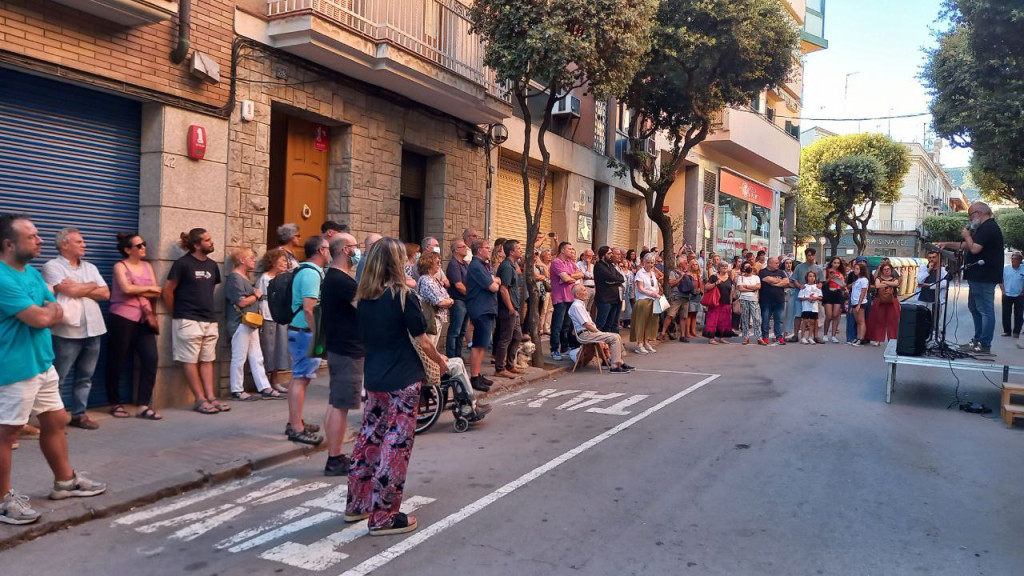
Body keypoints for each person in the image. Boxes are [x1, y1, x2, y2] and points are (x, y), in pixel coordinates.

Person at [0, 213, 105, 525]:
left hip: (43, 363)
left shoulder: (31, 274)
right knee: (6, 434)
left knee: (56, 419)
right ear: (9, 243)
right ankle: (3, 500)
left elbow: (54, 309)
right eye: (32, 236)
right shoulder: (3, 278)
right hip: (15, 368)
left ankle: (65, 482)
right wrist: (48, 311)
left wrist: (49, 311)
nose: (40, 239)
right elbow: (42, 318)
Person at [347, 237, 448, 536]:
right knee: (396, 445)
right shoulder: (403, 296)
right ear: (395, 262)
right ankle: (385, 516)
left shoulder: (364, 298)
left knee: (369, 439)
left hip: (375, 378)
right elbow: (422, 339)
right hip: (403, 380)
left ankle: (358, 503)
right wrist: (440, 360)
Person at [42, 228, 109, 430]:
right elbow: (68, 290)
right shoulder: (51, 266)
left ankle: (79, 415)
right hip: (67, 331)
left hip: (94, 328)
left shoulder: (90, 267)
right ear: (64, 244)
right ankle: (55, 420)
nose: (84, 245)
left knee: (85, 376)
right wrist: (90, 287)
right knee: (58, 377)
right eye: (79, 242)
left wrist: (80, 287)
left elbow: (106, 293)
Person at [164, 228, 223, 415]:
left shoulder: (213, 265)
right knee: (189, 360)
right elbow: (167, 291)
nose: (211, 242)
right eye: (207, 240)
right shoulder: (182, 264)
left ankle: (211, 397)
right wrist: (178, 312)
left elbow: (210, 289)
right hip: (187, 319)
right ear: (197, 245)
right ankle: (199, 399)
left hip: (209, 320)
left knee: (208, 359)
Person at [106, 233, 161, 420]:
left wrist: (142, 289)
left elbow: (157, 291)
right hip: (122, 316)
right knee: (117, 360)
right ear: (128, 250)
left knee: (151, 358)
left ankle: (143, 405)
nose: (144, 248)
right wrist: (148, 289)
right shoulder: (119, 266)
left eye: (144, 244)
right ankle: (115, 402)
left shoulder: (147, 266)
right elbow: (125, 289)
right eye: (139, 245)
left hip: (144, 318)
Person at [321, 233, 364, 477]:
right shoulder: (341, 281)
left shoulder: (335, 278)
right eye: (355, 247)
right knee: (341, 405)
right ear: (346, 250)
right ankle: (335, 458)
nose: (358, 252)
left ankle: (335, 453)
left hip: (340, 347)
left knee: (336, 402)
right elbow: (365, 308)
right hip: (347, 349)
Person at [937, 202, 1004, 354]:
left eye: (970, 215)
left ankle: (984, 344)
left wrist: (967, 235)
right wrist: (946, 244)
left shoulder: (989, 228)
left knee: (985, 310)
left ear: (979, 213)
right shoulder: (983, 228)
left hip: (984, 276)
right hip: (977, 276)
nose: (969, 219)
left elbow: (974, 248)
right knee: (974, 308)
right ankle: (977, 340)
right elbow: (968, 246)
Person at [285, 235, 330, 445]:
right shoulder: (311, 274)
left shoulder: (306, 270)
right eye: (328, 249)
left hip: (300, 330)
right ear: (321, 250)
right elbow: (309, 308)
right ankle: (296, 428)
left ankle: (295, 422)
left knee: (299, 378)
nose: (330, 252)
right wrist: (318, 336)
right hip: (305, 332)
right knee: (301, 379)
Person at [225, 248, 283, 401]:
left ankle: (264, 387)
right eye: (251, 257)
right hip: (240, 322)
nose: (254, 260)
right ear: (242, 260)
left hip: (250, 322)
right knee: (239, 357)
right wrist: (256, 295)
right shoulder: (235, 278)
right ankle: (237, 389)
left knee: (256, 356)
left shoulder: (242, 276)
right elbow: (241, 301)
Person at [568, 285, 634, 373]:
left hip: (589, 332)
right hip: (585, 334)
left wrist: (599, 333)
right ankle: (615, 365)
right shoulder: (576, 306)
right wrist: (599, 332)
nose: (586, 292)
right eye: (584, 290)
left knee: (616, 336)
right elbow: (587, 324)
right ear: (577, 294)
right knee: (613, 338)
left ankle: (620, 362)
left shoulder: (580, 305)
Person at [255, 249, 290, 393]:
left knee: (279, 347)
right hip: (268, 316)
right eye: (282, 260)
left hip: (280, 316)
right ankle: (268, 380)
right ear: (273, 262)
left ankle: (276, 379)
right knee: (269, 348)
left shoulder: (282, 278)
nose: (285, 263)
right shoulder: (264, 279)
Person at [466, 239, 499, 390]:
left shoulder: (483, 266)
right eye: (487, 247)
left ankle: (478, 374)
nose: (489, 249)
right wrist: (496, 281)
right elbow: (493, 286)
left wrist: (495, 280)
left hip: (486, 308)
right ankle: (474, 377)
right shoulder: (477, 266)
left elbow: (494, 280)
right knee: (478, 345)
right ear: (479, 250)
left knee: (482, 345)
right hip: (481, 308)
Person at [549, 242, 583, 361]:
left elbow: (581, 274)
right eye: (569, 249)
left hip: (570, 296)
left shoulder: (570, 262)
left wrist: (568, 277)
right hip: (560, 297)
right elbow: (565, 278)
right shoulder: (556, 262)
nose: (571, 250)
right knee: (557, 325)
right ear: (562, 250)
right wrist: (567, 278)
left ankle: (564, 347)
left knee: (567, 325)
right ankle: (554, 349)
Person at [494, 239, 523, 378]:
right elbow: (503, 289)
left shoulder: (512, 265)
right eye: (518, 248)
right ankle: (500, 368)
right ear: (511, 251)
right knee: (505, 337)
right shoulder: (506, 267)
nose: (521, 249)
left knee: (517, 336)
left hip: (514, 306)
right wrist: (511, 308)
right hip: (507, 308)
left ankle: (510, 364)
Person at [416, 250, 453, 347]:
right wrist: (450, 301)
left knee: (433, 346)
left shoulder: (434, 279)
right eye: (437, 262)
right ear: (429, 264)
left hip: (437, 318)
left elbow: (446, 297)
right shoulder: (426, 280)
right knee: (429, 348)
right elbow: (439, 301)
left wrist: (448, 300)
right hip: (431, 319)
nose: (440, 264)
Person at [791, 248, 824, 343]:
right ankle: (796, 335)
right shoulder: (799, 267)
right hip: (802, 293)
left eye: (812, 255)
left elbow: (821, 281)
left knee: (815, 317)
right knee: (798, 315)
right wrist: (799, 286)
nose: (811, 257)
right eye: (809, 255)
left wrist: (819, 286)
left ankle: (816, 336)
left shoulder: (818, 268)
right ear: (806, 256)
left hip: (814, 295)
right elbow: (794, 279)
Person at [444, 239, 470, 358]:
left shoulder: (464, 264)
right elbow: (458, 285)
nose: (466, 248)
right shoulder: (454, 264)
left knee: (462, 331)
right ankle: (451, 356)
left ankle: (458, 355)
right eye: (463, 247)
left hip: (465, 300)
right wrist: (471, 294)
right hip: (458, 301)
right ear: (456, 250)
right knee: (455, 330)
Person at [865, 263, 901, 347]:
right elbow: (877, 285)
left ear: (891, 270)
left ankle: (892, 339)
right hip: (880, 301)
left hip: (892, 301)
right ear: (882, 271)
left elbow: (896, 284)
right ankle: (877, 339)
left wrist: (884, 282)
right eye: (885, 269)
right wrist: (889, 283)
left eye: (888, 269)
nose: (887, 270)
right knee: (879, 320)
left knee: (893, 321)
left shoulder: (894, 278)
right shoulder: (878, 278)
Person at [631, 252, 660, 354]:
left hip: (653, 300)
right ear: (643, 262)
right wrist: (652, 293)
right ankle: (639, 344)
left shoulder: (652, 274)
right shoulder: (640, 273)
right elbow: (640, 288)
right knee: (641, 322)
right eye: (648, 262)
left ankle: (646, 342)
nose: (650, 265)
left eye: (652, 263)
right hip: (643, 300)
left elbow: (655, 286)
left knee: (650, 323)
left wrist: (656, 292)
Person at [594, 246, 624, 334]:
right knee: (601, 323)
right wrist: (615, 280)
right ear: (603, 255)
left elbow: (621, 277)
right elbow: (610, 277)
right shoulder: (599, 266)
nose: (611, 255)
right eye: (609, 253)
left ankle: (608, 344)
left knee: (610, 324)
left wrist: (613, 281)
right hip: (605, 299)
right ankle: (597, 344)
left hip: (615, 299)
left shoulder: (610, 265)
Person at [758, 257, 788, 345]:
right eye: (776, 263)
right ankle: (765, 337)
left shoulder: (781, 272)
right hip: (766, 300)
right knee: (765, 319)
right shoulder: (763, 272)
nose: (778, 265)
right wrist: (780, 282)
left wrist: (775, 283)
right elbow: (768, 279)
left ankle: (779, 337)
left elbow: (786, 282)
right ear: (769, 263)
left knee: (779, 319)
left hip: (779, 300)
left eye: (778, 263)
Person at [659, 255, 688, 341]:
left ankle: (682, 335)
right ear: (680, 264)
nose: (687, 263)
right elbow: (671, 284)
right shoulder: (673, 273)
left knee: (684, 316)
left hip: (686, 296)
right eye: (685, 262)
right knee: (670, 315)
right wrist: (681, 277)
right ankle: (663, 333)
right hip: (676, 296)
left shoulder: (687, 272)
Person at [703, 262, 734, 344]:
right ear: (718, 268)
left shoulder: (730, 279)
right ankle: (711, 338)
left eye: (726, 266)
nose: (724, 267)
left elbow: (730, 291)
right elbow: (706, 287)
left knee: (724, 321)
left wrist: (730, 303)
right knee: (712, 320)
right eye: (722, 266)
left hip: (726, 302)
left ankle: (722, 338)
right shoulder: (714, 277)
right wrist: (716, 283)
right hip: (715, 302)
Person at [735, 262, 763, 345]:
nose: (748, 268)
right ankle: (746, 337)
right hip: (744, 299)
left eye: (749, 266)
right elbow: (740, 288)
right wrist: (752, 289)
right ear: (743, 269)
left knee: (757, 319)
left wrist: (746, 286)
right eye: (746, 267)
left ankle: (759, 337)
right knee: (745, 319)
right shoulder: (741, 278)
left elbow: (758, 287)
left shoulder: (756, 277)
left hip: (754, 300)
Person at [822, 257, 847, 343]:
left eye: (838, 263)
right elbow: (823, 283)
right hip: (828, 293)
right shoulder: (826, 271)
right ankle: (825, 334)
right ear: (831, 263)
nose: (836, 264)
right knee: (829, 315)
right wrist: (830, 278)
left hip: (838, 293)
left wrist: (840, 281)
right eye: (835, 262)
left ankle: (833, 336)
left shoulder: (841, 273)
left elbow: (843, 286)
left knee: (836, 315)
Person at [1000, 251, 1024, 338]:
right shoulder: (1006, 268)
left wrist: (1023, 292)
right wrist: (1003, 291)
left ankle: (1016, 332)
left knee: (1019, 314)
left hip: (1019, 295)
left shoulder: (1023, 269)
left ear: (1020, 260)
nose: (1013, 260)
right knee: (1006, 314)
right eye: (1012, 258)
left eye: (1015, 259)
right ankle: (1007, 331)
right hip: (1007, 294)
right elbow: (1001, 280)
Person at [798, 271, 823, 345]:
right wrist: (807, 298)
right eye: (810, 276)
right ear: (807, 278)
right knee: (805, 321)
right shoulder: (804, 287)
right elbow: (800, 297)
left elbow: (820, 297)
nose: (812, 278)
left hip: (814, 307)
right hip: (806, 307)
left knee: (812, 322)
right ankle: (803, 337)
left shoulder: (817, 287)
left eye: (813, 276)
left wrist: (816, 297)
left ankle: (810, 337)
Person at [849, 262, 871, 346]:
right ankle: (858, 337)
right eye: (855, 268)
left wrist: (859, 304)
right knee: (857, 321)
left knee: (861, 321)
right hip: (854, 302)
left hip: (860, 303)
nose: (855, 270)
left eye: (857, 269)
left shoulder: (864, 280)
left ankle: (861, 338)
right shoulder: (857, 280)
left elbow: (863, 292)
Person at [682, 260, 704, 340]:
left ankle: (693, 331)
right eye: (694, 264)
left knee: (695, 314)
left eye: (696, 264)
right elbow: (688, 287)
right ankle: (687, 332)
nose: (695, 266)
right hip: (691, 296)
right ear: (691, 266)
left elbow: (701, 285)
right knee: (689, 314)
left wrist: (701, 291)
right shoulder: (688, 275)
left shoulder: (699, 275)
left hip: (698, 296)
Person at [534, 248, 553, 335]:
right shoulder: (540, 265)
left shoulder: (552, 265)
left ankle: (547, 328)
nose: (550, 256)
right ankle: (540, 328)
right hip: (544, 288)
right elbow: (547, 276)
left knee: (550, 309)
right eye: (548, 255)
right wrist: (545, 266)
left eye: (550, 255)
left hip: (552, 288)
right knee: (543, 309)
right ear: (543, 256)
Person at [780, 258, 797, 340]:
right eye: (787, 263)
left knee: (790, 313)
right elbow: (781, 283)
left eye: (790, 263)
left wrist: (788, 284)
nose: (788, 265)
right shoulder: (781, 273)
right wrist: (789, 284)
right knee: (782, 313)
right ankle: (781, 331)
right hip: (782, 294)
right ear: (784, 264)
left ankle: (788, 331)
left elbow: (795, 285)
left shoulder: (794, 273)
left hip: (792, 294)